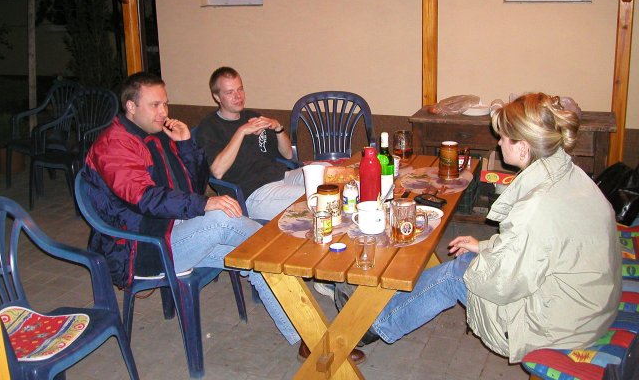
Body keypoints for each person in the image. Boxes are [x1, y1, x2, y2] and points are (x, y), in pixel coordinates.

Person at [345, 92, 622, 363]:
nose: (499, 142)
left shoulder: (538, 205)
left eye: (503, 137)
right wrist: (484, 247)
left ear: (523, 146)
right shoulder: (568, 174)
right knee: (466, 262)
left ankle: (368, 326)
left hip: (559, 323)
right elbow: (540, 247)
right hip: (588, 306)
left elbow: (503, 283)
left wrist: (473, 264)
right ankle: (381, 308)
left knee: (454, 275)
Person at [82, 72, 299, 346]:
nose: (163, 112)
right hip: (142, 248)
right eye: (155, 105)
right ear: (131, 106)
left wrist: (185, 144)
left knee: (253, 258)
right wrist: (204, 203)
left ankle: (302, 335)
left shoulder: (157, 133)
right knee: (224, 220)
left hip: (175, 230)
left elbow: (194, 186)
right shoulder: (114, 144)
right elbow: (145, 198)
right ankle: (287, 253)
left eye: (165, 103)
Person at [196, 66, 305, 220]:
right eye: (229, 92)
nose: (238, 96)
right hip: (254, 194)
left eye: (240, 89)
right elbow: (217, 171)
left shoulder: (252, 116)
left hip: (282, 177)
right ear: (217, 97)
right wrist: (241, 131)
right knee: (316, 197)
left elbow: (288, 154)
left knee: (328, 176)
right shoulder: (209, 127)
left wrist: (277, 127)